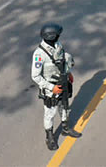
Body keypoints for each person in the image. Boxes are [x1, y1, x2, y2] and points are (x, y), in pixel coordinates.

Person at [31, 23, 81, 151]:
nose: (59, 36)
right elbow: (35, 76)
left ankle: (65, 128)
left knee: (65, 106)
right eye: (57, 34)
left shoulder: (58, 45)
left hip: (62, 82)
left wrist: (68, 74)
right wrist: (51, 88)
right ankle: (49, 137)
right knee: (50, 113)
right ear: (52, 36)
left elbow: (63, 61)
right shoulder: (39, 54)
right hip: (50, 88)